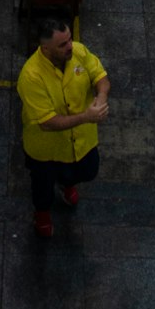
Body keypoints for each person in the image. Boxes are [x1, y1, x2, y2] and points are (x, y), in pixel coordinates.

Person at [17, 16, 111, 238]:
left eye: (69, 39)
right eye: (63, 44)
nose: (70, 46)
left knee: (88, 170)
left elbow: (100, 76)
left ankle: (67, 183)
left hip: (81, 141)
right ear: (45, 47)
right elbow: (48, 123)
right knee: (42, 186)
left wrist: (102, 95)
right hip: (46, 149)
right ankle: (42, 214)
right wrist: (87, 116)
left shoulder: (78, 51)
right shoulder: (31, 77)